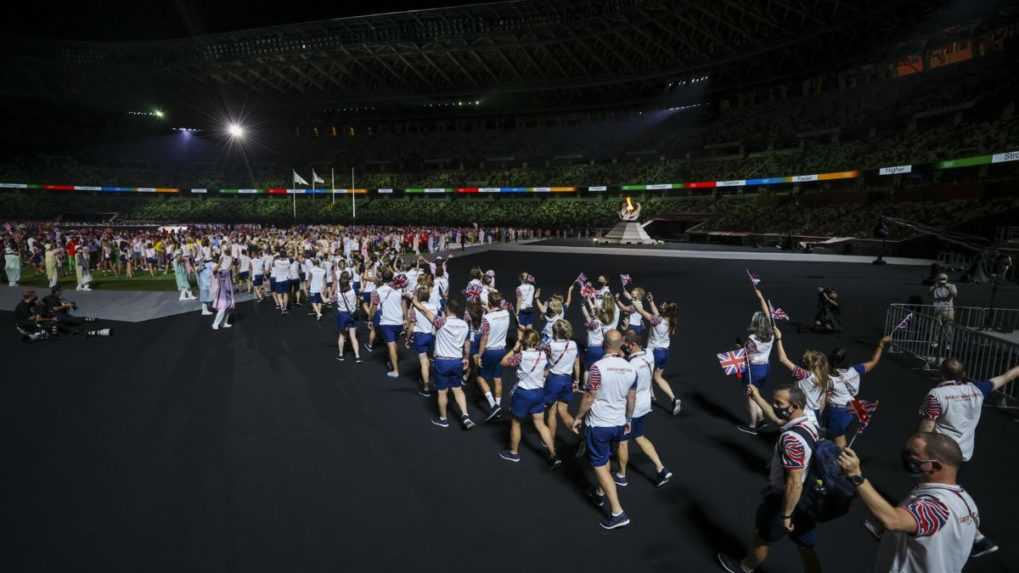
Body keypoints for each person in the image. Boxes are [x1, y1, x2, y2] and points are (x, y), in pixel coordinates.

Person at [915, 358, 1019, 558]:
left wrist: (918, 453)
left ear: (941, 374)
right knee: (943, 491)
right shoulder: (977, 389)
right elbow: (1007, 376)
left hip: (942, 454)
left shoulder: (937, 395)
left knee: (937, 491)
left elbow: (927, 428)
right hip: (963, 453)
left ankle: (976, 538)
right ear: (963, 373)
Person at [837, 433, 980, 573]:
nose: (906, 458)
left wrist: (856, 476)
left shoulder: (936, 506)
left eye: (913, 455)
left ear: (934, 466)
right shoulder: (966, 501)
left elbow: (893, 520)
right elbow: (938, 538)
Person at [717, 383, 822, 573]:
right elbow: (777, 420)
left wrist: (786, 514)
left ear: (795, 406)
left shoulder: (791, 440)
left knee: (762, 537)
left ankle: (745, 567)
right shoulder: (809, 421)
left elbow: (794, 481)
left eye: (779, 403)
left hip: (784, 501)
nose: (774, 406)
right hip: (808, 497)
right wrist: (757, 397)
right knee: (806, 546)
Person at [571, 329, 637, 530]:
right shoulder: (630, 368)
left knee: (599, 464)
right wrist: (628, 419)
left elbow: (589, 396)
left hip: (599, 424)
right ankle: (600, 492)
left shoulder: (598, 368)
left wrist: (578, 417)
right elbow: (631, 398)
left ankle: (617, 512)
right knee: (606, 458)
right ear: (621, 345)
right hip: (618, 423)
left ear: (603, 345)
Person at [615, 330, 673, 488]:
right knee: (639, 437)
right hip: (644, 403)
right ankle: (661, 468)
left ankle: (621, 475)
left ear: (632, 345)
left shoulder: (631, 366)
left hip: (631, 408)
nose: (625, 347)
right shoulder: (648, 354)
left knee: (623, 441)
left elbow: (627, 390)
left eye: (626, 344)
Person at [498, 328, 562, 468]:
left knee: (516, 422)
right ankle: (553, 454)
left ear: (524, 342)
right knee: (540, 424)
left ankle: (514, 453)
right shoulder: (543, 354)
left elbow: (503, 362)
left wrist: (515, 348)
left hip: (523, 393)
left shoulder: (521, 356)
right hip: (539, 392)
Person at [411, 297, 474, 430]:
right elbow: (467, 344)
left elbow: (424, 310)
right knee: (458, 389)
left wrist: (413, 299)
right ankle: (465, 415)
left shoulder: (441, 322)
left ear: (447, 309)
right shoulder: (464, 325)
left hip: (442, 362)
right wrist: (466, 358)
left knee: (442, 392)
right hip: (457, 361)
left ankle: (443, 419)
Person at [824, 336, 891, 447]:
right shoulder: (856, 370)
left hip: (836, 412)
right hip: (853, 407)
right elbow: (874, 361)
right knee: (840, 435)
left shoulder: (829, 377)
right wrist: (881, 344)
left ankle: (839, 459)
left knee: (837, 440)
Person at [633, 292, 682, 416]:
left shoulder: (657, 320)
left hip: (654, 352)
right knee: (658, 377)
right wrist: (651, 302)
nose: (662, 305)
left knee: (644, 375)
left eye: (664, 305)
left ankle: (646, 402)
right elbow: (657, 314)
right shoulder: (671, 321)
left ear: (665, 311)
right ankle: (674, 399)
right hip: (665, 352)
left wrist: (635, 302)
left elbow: (642, 312)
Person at [737, 287, 776, 434]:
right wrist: (761, 298)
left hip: (753, 369)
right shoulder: (772, 334)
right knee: (756, 393)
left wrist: (740, 346)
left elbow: (746, 352)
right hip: (765, 367)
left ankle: (752, 425)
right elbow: (768, 314)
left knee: (750, 396)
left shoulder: (753, 338)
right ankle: (761, 419)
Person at [772, 328, 830, 423]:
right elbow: (822, 402)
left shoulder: (805, 375)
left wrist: (778, 338)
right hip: (815, 414)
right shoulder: (826, 379)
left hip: (803, 411)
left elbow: (783, 359)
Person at [543, 319, 580, 448]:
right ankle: (580, 435)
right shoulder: (574, 344)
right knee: (563, 411)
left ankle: (550, 442)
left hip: (554, 380)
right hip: (567, 380)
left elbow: (544, 360)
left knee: (552, 412)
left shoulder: (551, 345)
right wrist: (577, 380)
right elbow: (576, 363)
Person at [476, 290, 511, 419]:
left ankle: (493, 406)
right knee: (497, 378)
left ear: (489, 303)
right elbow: (504, 306)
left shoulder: (487, 318)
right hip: (501, 350)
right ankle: (498, 406)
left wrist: (479, 355)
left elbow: (484, 338)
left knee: (480, 377)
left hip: (489, 351)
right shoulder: (506, 313)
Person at [371, 269, 407, 379]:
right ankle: (392, 361)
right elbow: (403, 304)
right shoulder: (398, 289)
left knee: (391, 345)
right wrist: (405, 319)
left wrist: (370, 319)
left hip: (387, 321)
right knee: (394, 343)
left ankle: (395, 370)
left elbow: (374, 306)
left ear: (382, 277)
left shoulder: (378, 291)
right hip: (398, 321)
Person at [408, 284, 438, 397]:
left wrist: (407, 337)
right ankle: (434, 379)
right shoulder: (434, 307)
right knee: (430, 359)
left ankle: (426, 387)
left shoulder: (415, 308)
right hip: (431, 335)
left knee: (423, 362)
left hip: (420, 335)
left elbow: (411, 325)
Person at [335, 271, 362, 363]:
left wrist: (322, 294)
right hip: (352, 314)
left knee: (342, 335)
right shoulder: (353, 291)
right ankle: (357, 356)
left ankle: (341, 355)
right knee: (353, 336)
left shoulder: (338, 294)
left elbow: (328, 300)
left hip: (342, 315)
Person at [930, 273, 957, 349]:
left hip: (948, 310)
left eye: (943, 279)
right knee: (936, 327)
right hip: (937, 309)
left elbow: (954, 295)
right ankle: (935, 342)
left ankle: (948, 343)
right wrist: (934, 287)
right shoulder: (935, 286)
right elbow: (929, 294)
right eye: (940, 279)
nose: (942, 281)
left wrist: (948, 288)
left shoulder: (951, 286)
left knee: (948, 328)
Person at [210, 258, 235, 330]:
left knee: (229, 308)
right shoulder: (217, 272)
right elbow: (214, 270)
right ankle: (215, 323)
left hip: (228, 291)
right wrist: (219, 263)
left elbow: (229, 268)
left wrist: (232, 262)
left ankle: (224, 323)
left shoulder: (225, 270)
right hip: (221, 292)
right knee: (222, 308)